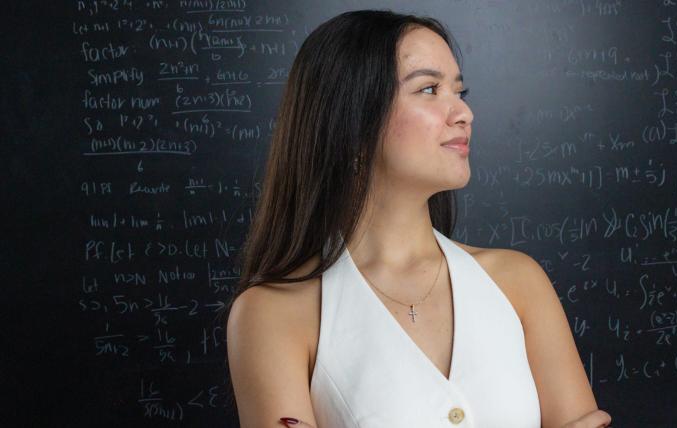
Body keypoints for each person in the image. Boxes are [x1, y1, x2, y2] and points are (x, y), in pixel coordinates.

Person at [225, 9, 612, 428]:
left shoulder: (518, 282)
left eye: (459, 91)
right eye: (429, 89)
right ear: (353, 120)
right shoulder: (272, 315)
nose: (464, 113)